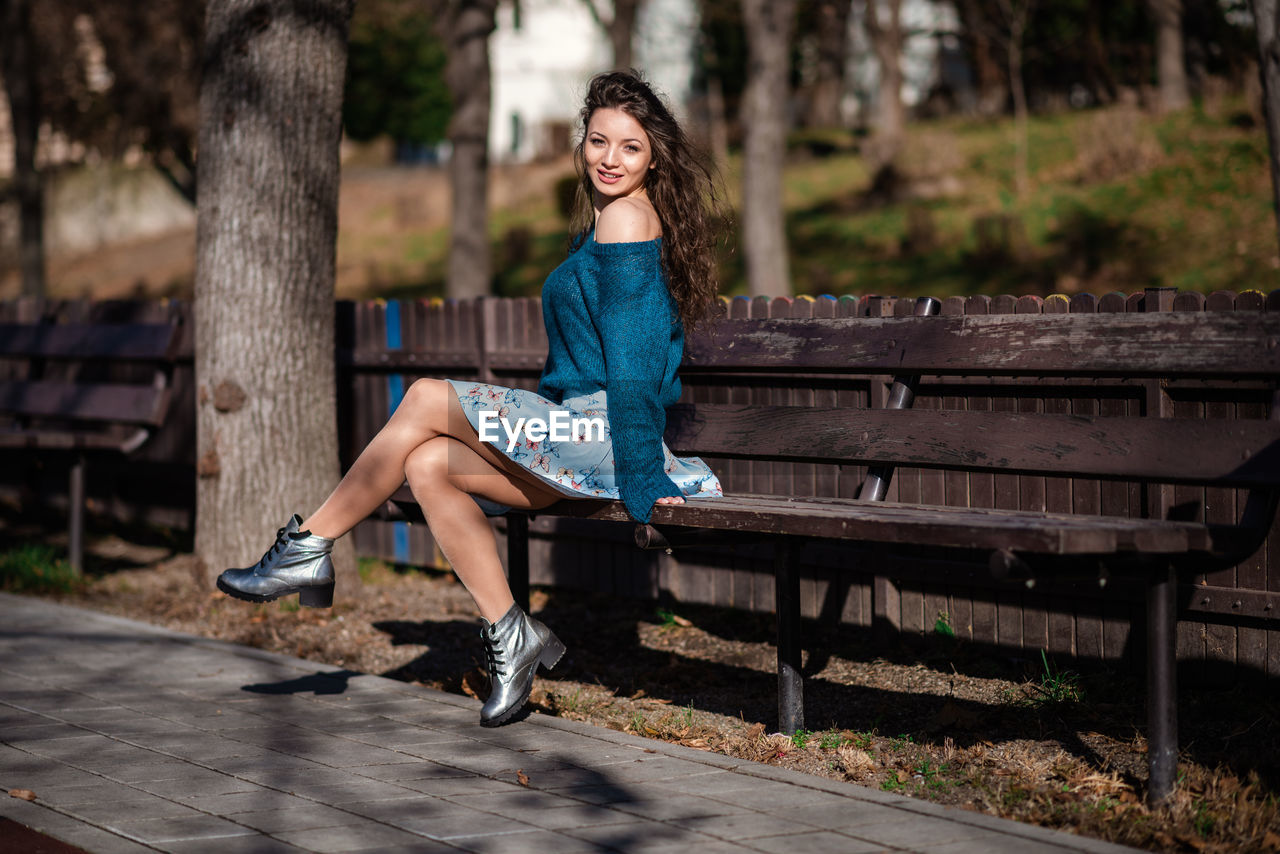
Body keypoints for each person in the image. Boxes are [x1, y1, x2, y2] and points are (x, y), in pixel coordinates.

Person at [216, 70, 725, 728]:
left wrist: (640, 482)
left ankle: (308, 548)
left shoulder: (627, 220)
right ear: (582, 144)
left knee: (427, 397)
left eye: (629, 147)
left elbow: (629, 373)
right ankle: (512, 636)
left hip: (602, 443)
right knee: (426, 463)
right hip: (571, 443)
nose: (609, 158)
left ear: (653, 154)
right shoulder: (607, 221)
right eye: (598, 141)